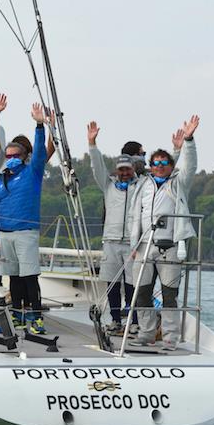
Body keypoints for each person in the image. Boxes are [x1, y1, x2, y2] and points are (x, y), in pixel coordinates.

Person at [129, 115, 199, 351]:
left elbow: (189, 166)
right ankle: (147, 334)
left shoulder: (178, 183)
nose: (159, 166)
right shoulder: (143, 184)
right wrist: (133, 247)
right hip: (144, 247)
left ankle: (170, 338)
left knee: (169, 296)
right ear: (151, 166)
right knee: (143, 294)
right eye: (155, 163)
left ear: (171, 166)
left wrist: (188, 141)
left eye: (164, 163)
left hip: (170, 248)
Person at [0, 103, 48, 335]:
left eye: (16, 155)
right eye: (8, 156)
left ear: (24, 157)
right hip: (5, 235)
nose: (11, 159)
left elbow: (41, 151)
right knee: (14, 277)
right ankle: (18, 315)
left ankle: (36, 316)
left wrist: (39, 125)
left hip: (26, 233)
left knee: (30, 277)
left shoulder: (32, 173)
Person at [87, 121, 139, 334]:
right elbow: (97, 166)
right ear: (116, 170)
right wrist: (92, 144)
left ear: (133, 169)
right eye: (121, 169)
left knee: (132, 285)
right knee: (112, 284)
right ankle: (116, 320)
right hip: (110, 241)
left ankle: (134, 322)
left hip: (132, 243)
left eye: (128, 169)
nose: (124, 173)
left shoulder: (141, 186)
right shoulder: (108, 184)